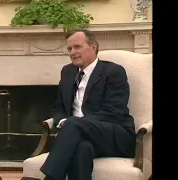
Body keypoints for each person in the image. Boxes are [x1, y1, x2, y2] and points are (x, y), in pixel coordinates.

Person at [40, 29, 136, 180]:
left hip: (113, 134)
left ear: (93, 46)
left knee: (74, 124)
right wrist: (64, 121)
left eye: (77, 47)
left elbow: (113, 111)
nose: (72, 52)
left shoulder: (113, 71)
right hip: (77, 135)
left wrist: (74, 123)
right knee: (82, 149)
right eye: (69, 48)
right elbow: (58, 107)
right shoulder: (67, 72)